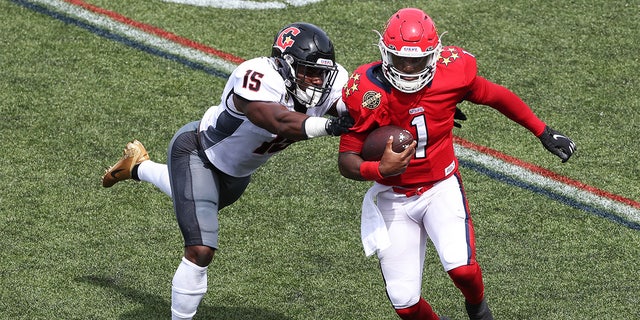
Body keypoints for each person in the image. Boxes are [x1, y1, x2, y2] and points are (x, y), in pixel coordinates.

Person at [101, 22, 353, 320]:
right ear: (284, 65)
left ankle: (138, 166)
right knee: (201, 248)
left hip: (237, 175)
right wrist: (329, 125)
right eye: (308, 72)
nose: (316, 81)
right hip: (197, 153)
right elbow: (279, 121)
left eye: (322, 73)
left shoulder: (327, 83)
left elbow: (353, 109)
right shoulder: (257, 76)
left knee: (192, 199)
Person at [337, 8, 576, 320]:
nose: (408, 68)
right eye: (400, 59)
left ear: (434, 56)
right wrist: (378, 170)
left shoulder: (452, 72)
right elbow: (346, 160)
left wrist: (542, 130)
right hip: (392, 197)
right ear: (385, 53)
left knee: (462, 269)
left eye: (418, 60)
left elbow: (495, 96)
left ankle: (477, 308)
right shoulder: (368, 90)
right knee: (404, 303)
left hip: (439, 187)